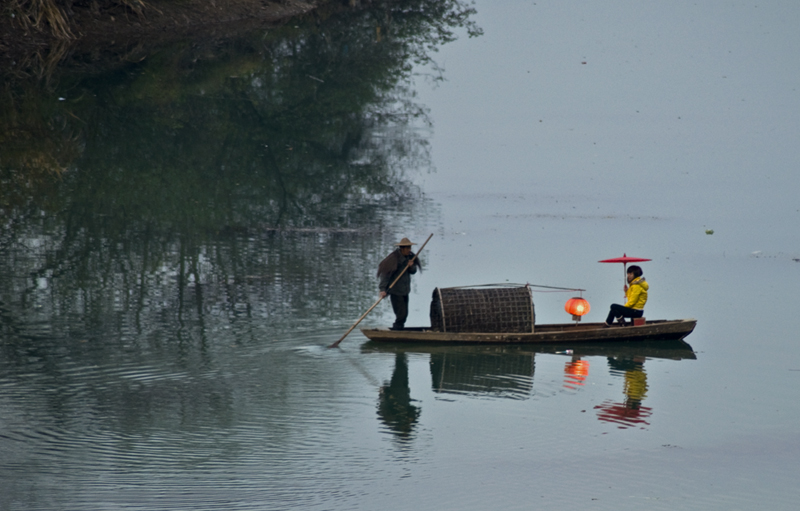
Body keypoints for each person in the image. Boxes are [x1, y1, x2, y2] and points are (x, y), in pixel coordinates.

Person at [377, 237, 421, 330]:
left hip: (405, 291)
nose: (409, 250)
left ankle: (399, 330)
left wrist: (411, 266)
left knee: (405, 315)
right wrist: (382, 290)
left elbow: (413, 271)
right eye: (408, 248)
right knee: (401, 315)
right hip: (396, 291)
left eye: (410, 248)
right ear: (402, 248)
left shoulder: (410, 257)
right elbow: (385, 275)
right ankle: (397, 331)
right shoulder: (393, 259)